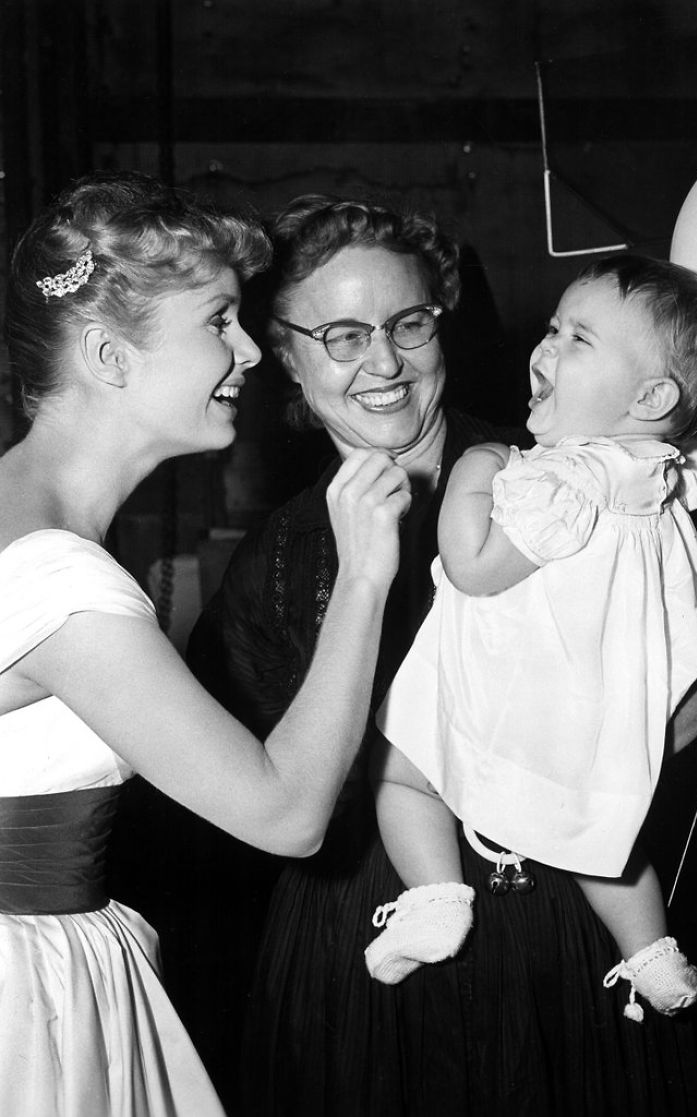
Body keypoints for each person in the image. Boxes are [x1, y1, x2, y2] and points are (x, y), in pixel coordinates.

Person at [187, 195, 697, 1116]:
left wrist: (575, 782)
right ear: (283, 356)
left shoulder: (557, 472)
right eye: (339, 334)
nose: (383, 361)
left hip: (558, 926)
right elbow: (249, 805)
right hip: (366, 957)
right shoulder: (276, 563)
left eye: (407, 322)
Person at [0, 171, 409, 1117]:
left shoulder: (23, 518)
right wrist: (362, 577)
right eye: (218, 320)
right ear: (108, 354)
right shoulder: (63, 581)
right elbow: (287, 813)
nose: (250, 352)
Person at [370, 254, 697, 1023]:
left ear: (650, 396)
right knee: (603, 834)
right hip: (606, 712)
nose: (545, 350)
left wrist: (476, 471)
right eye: (552, 328)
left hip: (521, 697)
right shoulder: (661, 472)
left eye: (578, 339)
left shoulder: (562, 477)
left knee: (402, 770)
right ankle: (653, 955)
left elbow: (474, 567)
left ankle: (435, 895)